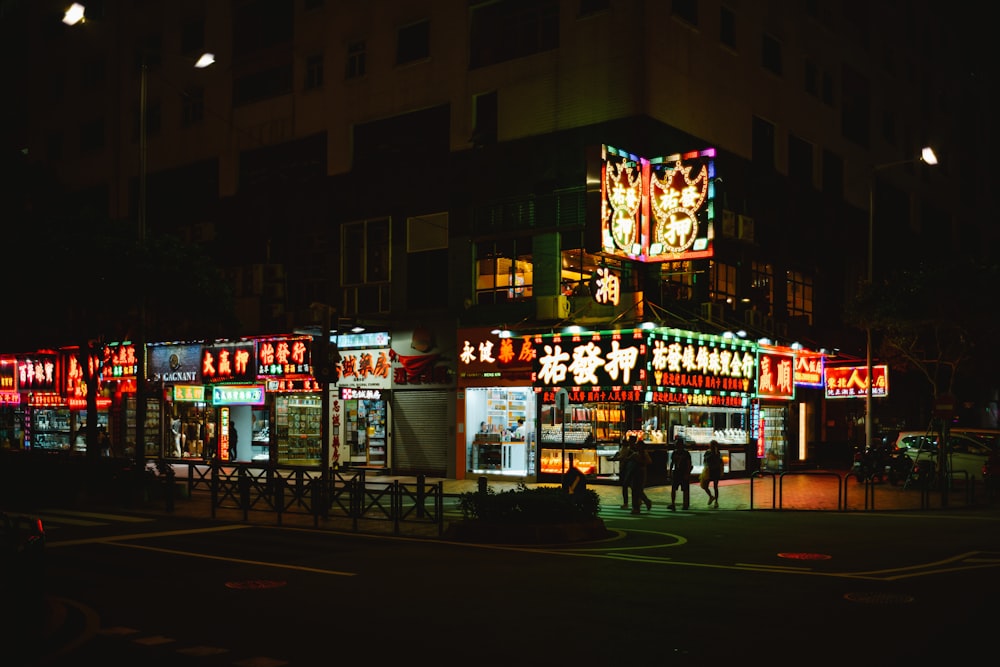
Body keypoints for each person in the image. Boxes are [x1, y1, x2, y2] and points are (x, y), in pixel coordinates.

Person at [628, 433, 652, 514]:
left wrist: (639, 460)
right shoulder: (635, 453)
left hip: (640, 472)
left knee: (637, 490)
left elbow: (648, 462)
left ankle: (638, 506)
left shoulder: (643, 453)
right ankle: (640, 504)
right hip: (635, 472)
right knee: (636, 490)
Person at [667, 435, 693, 510]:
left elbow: (688, 464)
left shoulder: (684, 453)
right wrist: (670, 471)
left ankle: (683, 504)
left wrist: (687, 473)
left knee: (681, 489)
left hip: (682, 471)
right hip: (678, 472)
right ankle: (676, 503)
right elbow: (672, 463)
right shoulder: (680, 453)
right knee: (677, 489)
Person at [610, 435, 635, 509]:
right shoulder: (628, 449)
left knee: (626, 486)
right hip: (627, 469)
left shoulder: (628, 449)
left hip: (627, 469)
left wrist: (615, 458)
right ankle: (641, 500)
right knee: (631, 486)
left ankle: (627, 503)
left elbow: (623, 457)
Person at [703, 440, 723, 508]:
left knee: (715, 486)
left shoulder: (717, 453)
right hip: (710, 471)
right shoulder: (708, 452)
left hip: (715, 470)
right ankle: (711, 497)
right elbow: (705, 460)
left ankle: (716, 501)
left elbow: (720, 462)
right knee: (705, 486)